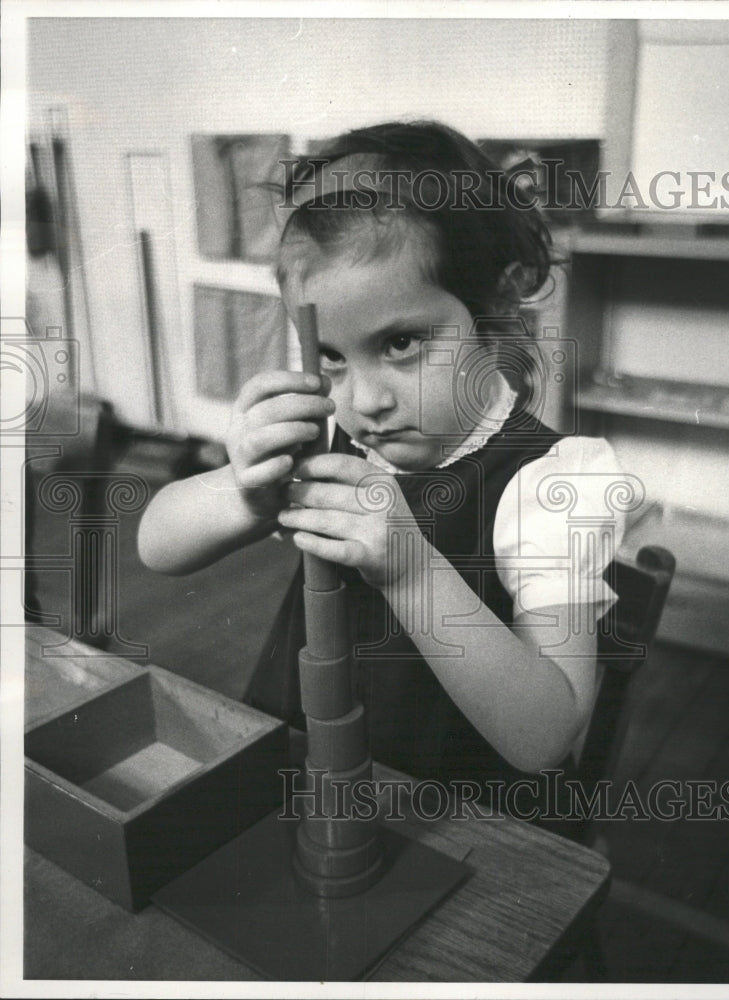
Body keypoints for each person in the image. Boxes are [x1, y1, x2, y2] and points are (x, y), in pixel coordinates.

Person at [138, 121, 629, 807]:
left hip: (449, 825)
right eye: (332, 356)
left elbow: (546, 738)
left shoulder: (556, 480)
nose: (363, 400)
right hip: (297, 787)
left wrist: (412, 569)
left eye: (401, 343)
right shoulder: (334, 445)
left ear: (499, 303)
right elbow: (157, 547)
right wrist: (242, 491)